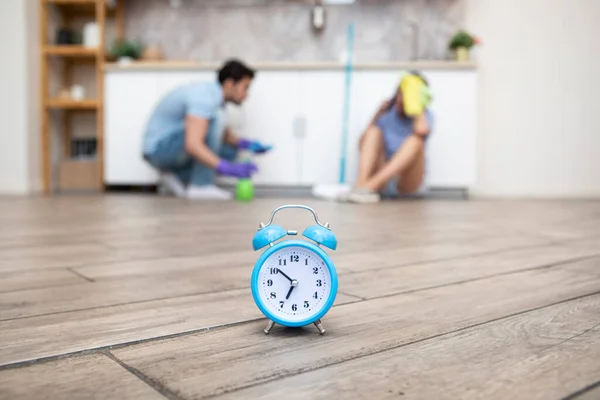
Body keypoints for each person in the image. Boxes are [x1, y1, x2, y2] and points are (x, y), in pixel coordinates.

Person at [142, 59, 271, 200]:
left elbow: (222, 135)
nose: (246, 95)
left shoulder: (214, 98)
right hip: (159, 150)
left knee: (229, 151)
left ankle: (176, 175)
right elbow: (193, 144)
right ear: (229, 84)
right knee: (214, 120)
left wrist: (246, 144)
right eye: (245, 87)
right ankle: (201, 185)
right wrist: (227, 168)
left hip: (170, 147)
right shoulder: (204, 98)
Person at [345, 71, 434, 204]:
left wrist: (416, 107)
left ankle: (369, 187)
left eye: (406, 95)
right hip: (383, 175)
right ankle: (361, 185)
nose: (401, 99)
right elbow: (362, 143)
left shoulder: (425, 116)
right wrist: (377, 115)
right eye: (400, 93)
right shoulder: (387, 115)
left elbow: (421, 131)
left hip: (406, 182)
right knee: (373, 131)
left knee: (416, 141)